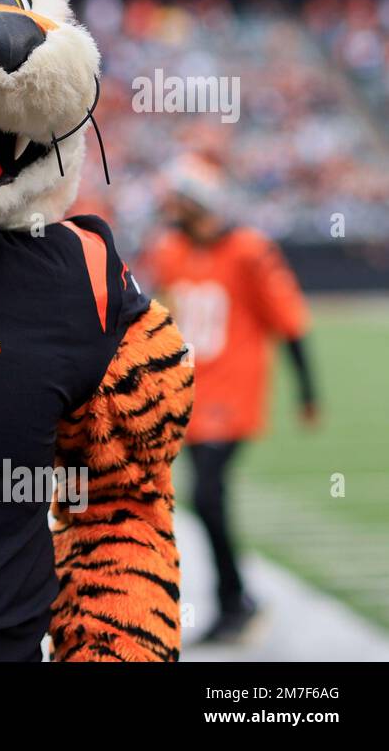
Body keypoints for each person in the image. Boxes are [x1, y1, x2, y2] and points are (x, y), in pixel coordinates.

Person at [143, 155, 319, 644]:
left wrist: (307, 390)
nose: (168, 207)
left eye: (178, 199)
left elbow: (290, 320)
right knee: (200, 497)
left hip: (233, 394)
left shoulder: (248, 250)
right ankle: (234, 601)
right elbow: (161, 319)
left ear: (198, 201)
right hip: (188, 394)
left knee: (207, 495)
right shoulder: (170, 249)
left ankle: (235, 603)